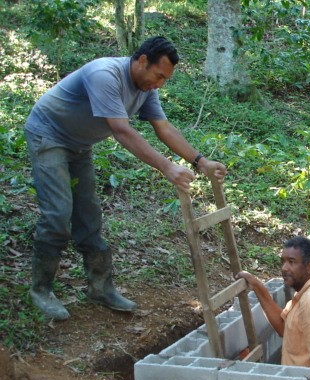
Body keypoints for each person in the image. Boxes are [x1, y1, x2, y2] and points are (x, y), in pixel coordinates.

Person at [24, 36, 227, 321]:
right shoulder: (105, 74)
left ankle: (99, 288)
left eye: (164, 79)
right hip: (48, 134)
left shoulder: (147, 89)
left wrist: (200, 161)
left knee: (89, 215)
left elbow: (164, 128)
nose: (159, 84)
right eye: (158, 75)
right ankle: (41, 290)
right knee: (58, 213)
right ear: (142, 60)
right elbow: (121, 130)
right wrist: (168, 168)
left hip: (79, 145)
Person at [237, 236, 310, 371]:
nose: (284, 268)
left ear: (309, 266)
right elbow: (283, 327)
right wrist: (256, 286)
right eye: (283, 261)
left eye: (291, 262)